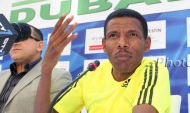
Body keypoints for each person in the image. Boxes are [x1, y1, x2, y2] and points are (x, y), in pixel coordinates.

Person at [34, 9, 171, 113]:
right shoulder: (90, 74)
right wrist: (46, 68)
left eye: (132, 35)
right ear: (104, 45)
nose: (122, 43)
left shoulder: (152, 69)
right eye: (113, 35)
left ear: (146, 44)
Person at [0, 21, 72, 113]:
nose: (15, 43)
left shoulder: (58, 76)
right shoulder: (1, 76)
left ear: (40, 46)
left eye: (23, 37)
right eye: (12, 39)